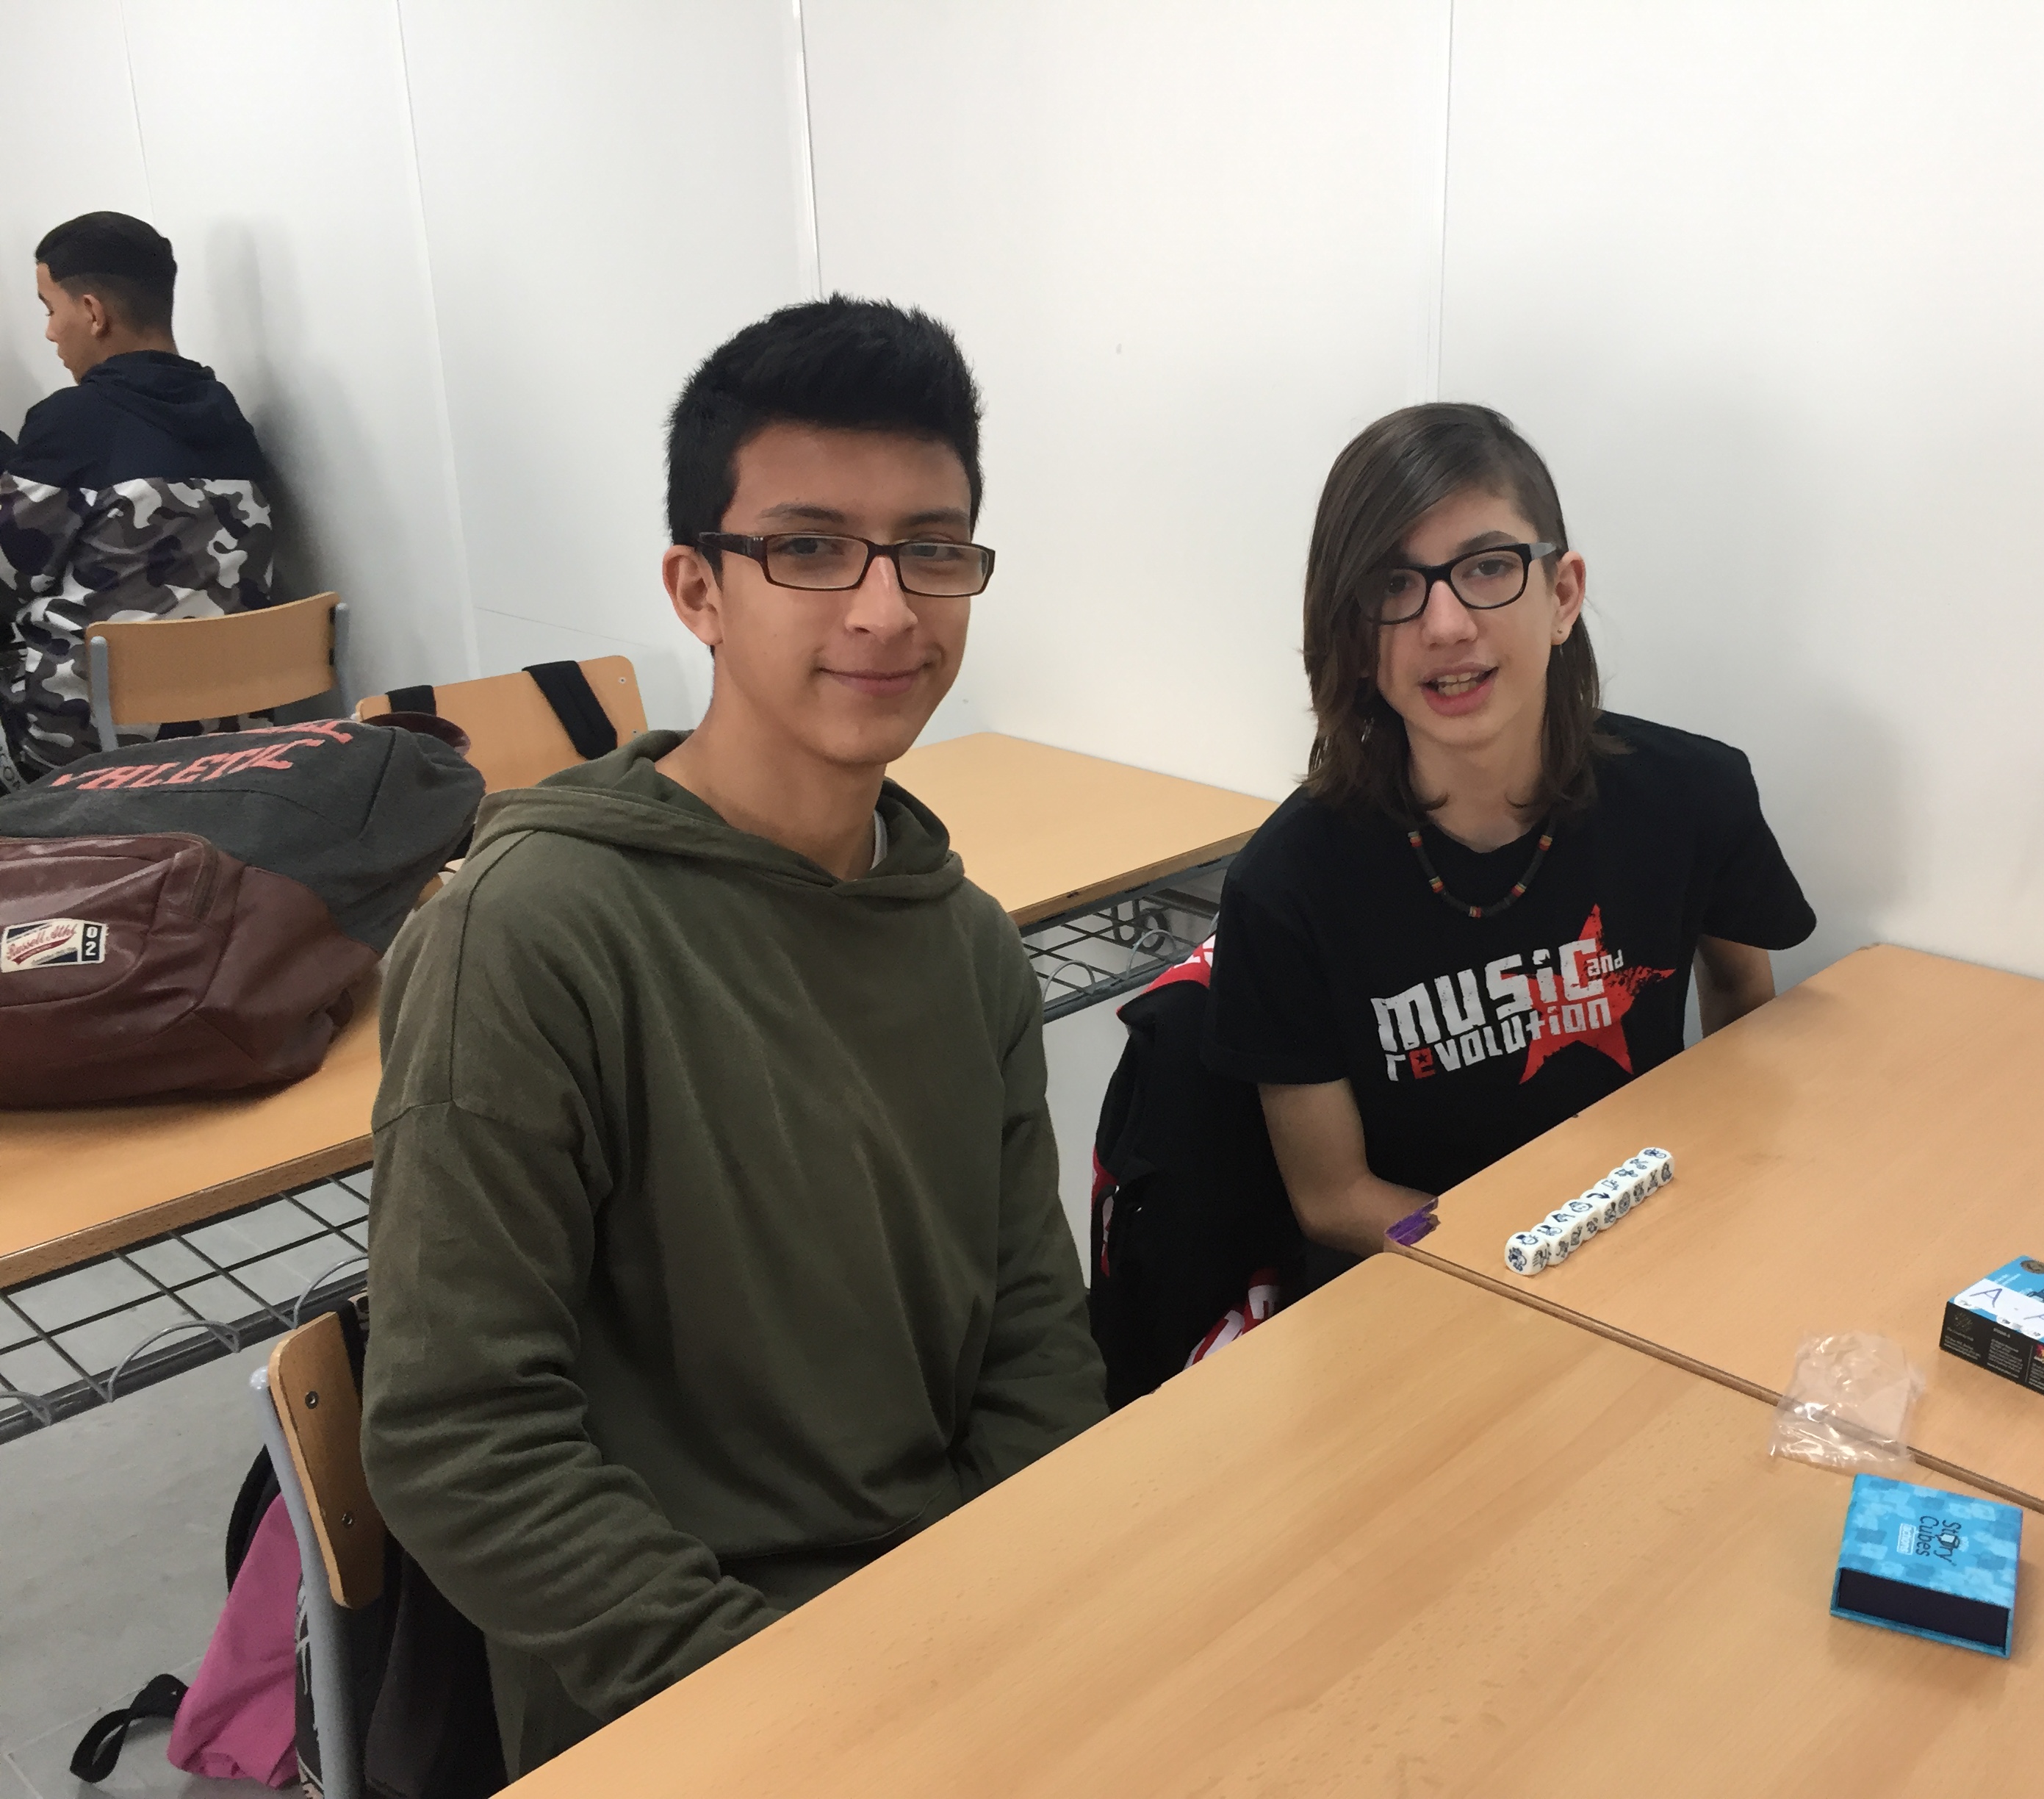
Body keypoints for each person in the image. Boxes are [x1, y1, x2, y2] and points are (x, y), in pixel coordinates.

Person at [360, 297, 1106, 1775]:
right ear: (697, 589)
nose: (884, 609)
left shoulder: (965, 939)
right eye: (810, 548)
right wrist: (804, 1718)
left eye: (931, 549)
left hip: (964, 1643)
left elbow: (1035, 1335)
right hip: (688, 1705)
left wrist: (1008, 1615)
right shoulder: (527, 937)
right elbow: (458, 1435)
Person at [1204, 403, 1816, 1271]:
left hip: (1654, 1238)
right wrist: (1536, 1265)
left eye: (1488, 568)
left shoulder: (1695, 794)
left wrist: (1715, 1195)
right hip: (1438, 1282)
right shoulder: (1285, 884)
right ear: (1353, 632)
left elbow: (1745, 1010)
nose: (1446, 625)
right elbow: (1334, 1197)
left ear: (1562, 596)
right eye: (1393, 584)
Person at [0, 212, 275, 788]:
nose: (50, 333)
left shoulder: (73, 422)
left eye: (50, 310)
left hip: (82, 750)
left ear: (93, 312)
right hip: (232, 740)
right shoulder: (226, 416)